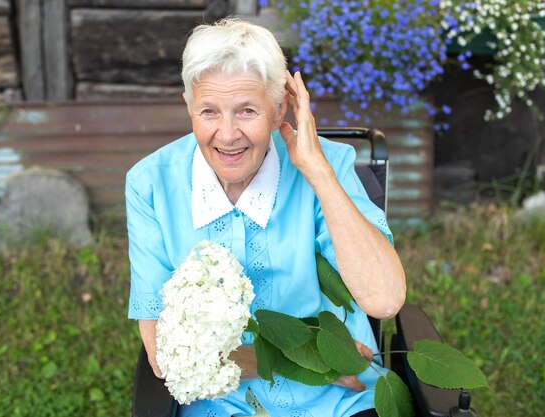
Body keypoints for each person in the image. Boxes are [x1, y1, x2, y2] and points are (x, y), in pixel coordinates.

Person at [126, 18, 406, 417]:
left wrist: (318, 171)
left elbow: (385, 300)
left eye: (247, 111)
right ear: (188, 105)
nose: (226, 134)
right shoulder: (149, 185)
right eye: (208, 111)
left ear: (279, 111)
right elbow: (165, 353)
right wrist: (309, 360)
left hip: (340, 400)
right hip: (221, 403)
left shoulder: (331, 165)